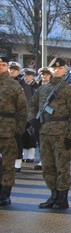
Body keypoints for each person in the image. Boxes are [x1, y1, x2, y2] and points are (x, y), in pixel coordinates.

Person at [28, 58, 71, 209]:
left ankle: (63, 197)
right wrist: (33, 120)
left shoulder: (69, 89)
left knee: (62, 166)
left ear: (65, 70)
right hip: (44, 132)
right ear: (50, 70)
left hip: (61, 133)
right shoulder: (43, 89)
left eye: (60, 68)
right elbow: (31, 105)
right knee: (48, 166)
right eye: (54, 68)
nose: (57, 70)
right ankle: (53, 194)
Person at [0, 56, 28, 206]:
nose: (1, 67)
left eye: (3, 65)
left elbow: (23, 109)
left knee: (7, 163)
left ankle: (5, 193)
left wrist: (19, 130)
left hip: (8, 130)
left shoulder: (14, 85)